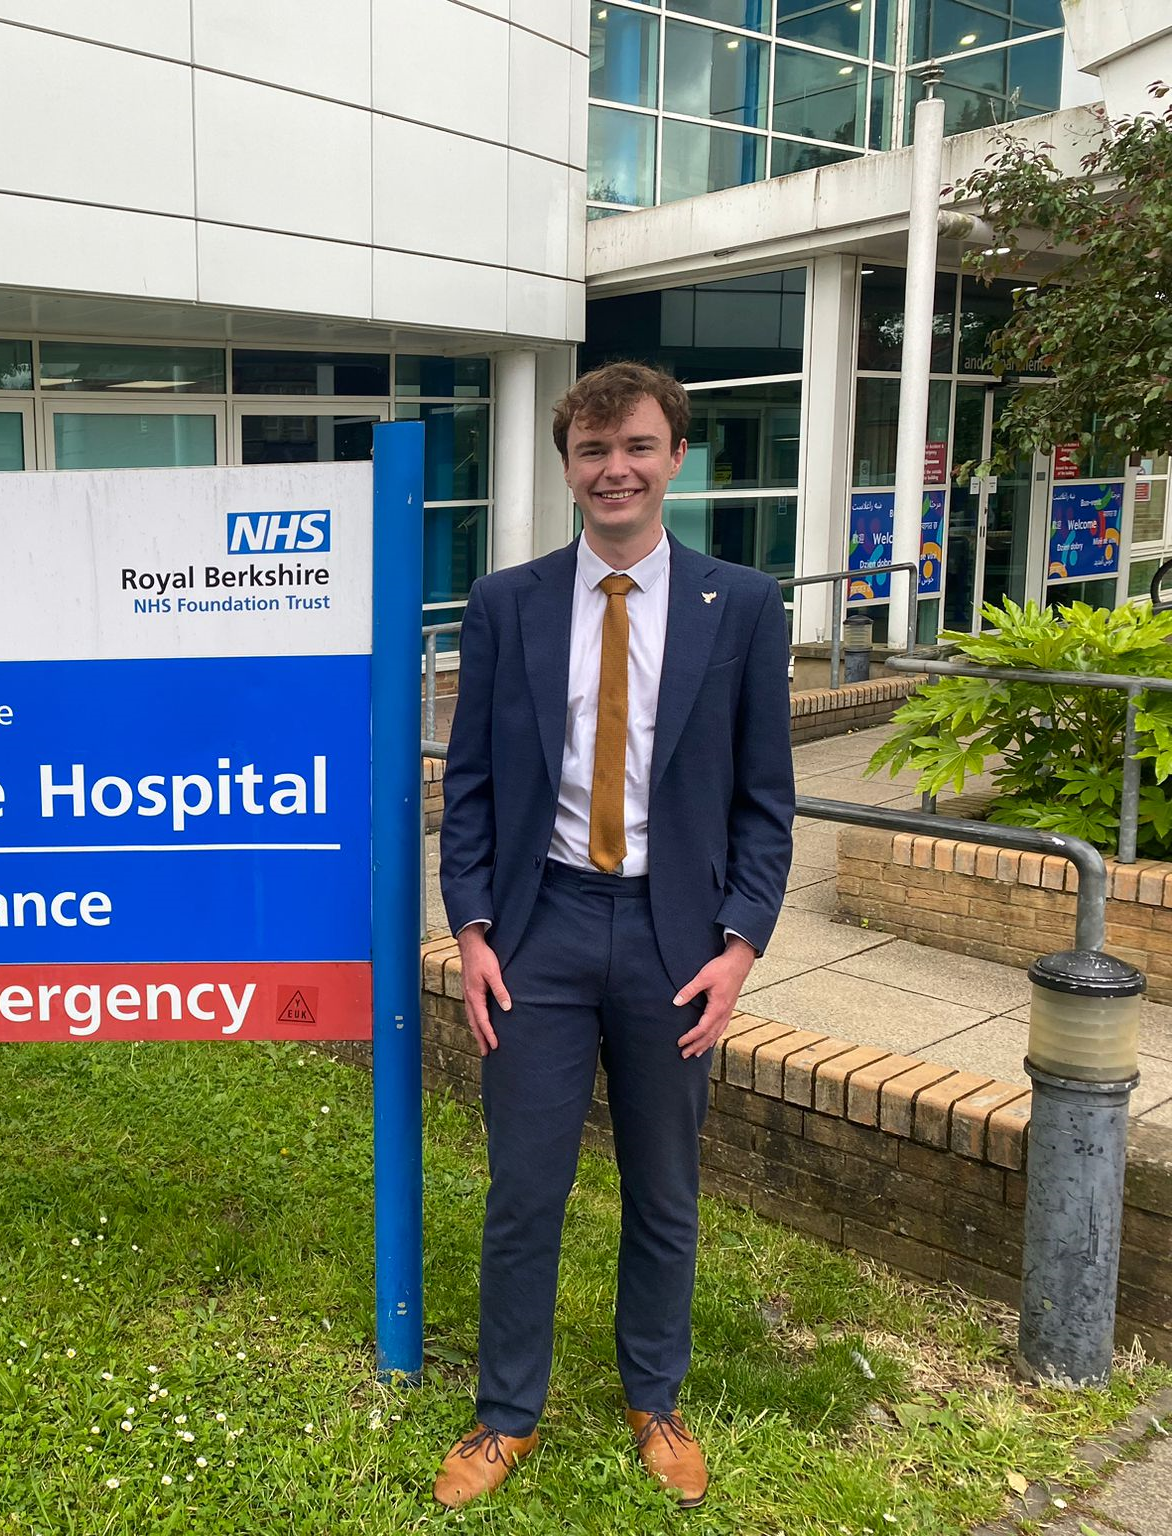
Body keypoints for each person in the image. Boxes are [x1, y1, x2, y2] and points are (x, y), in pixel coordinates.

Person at [431, 361, 794, 1511]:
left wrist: (737, 947)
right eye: (591, 452)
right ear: (566, 465)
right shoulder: (507, 603)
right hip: (536, 929)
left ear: (672, 456)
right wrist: (473, 929)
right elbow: (473, 786)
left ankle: (655, 1397)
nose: (613, 470)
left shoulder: (737, 605)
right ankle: (505, 1416)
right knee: (522, 1190)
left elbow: (764, 800)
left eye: (634, 446)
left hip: (671, 941)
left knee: (663, 1188)